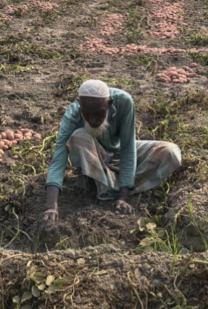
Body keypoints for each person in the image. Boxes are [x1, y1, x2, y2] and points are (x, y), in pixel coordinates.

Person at [43, 80, 182, 221]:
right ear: (80, 105)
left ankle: (110, 185)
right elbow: (58, 161)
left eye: (98, 114)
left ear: (109, 104)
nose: (92, 119)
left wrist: (123, 196)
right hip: (94, 155)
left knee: (170, 152)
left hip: (119, 150)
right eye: (87, 114)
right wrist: (52, 207)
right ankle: (98, 179)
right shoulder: (72, 115)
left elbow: (128, 148)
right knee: (78, 136)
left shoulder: (124, 102)